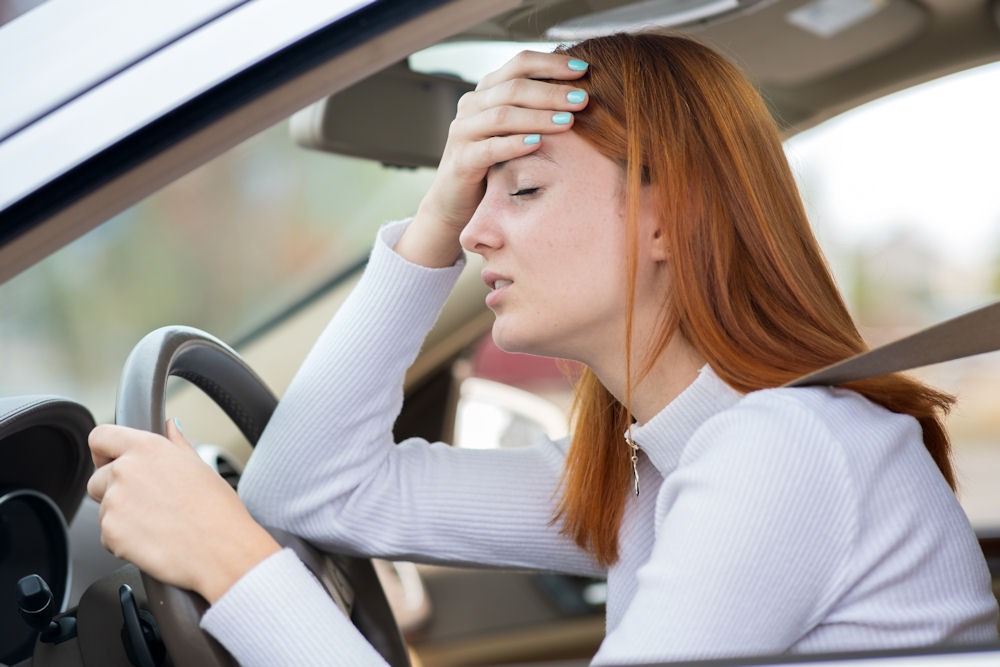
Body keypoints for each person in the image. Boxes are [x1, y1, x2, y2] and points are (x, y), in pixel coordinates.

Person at [87, 33, 998, 665]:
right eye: (474, 201)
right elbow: (307, 489)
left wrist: (228, 562)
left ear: (666, 217)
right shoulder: (654, 466)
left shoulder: (784, 451)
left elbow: (276, 510)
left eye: (519, 190)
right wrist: (437, 212)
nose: (475, 232)